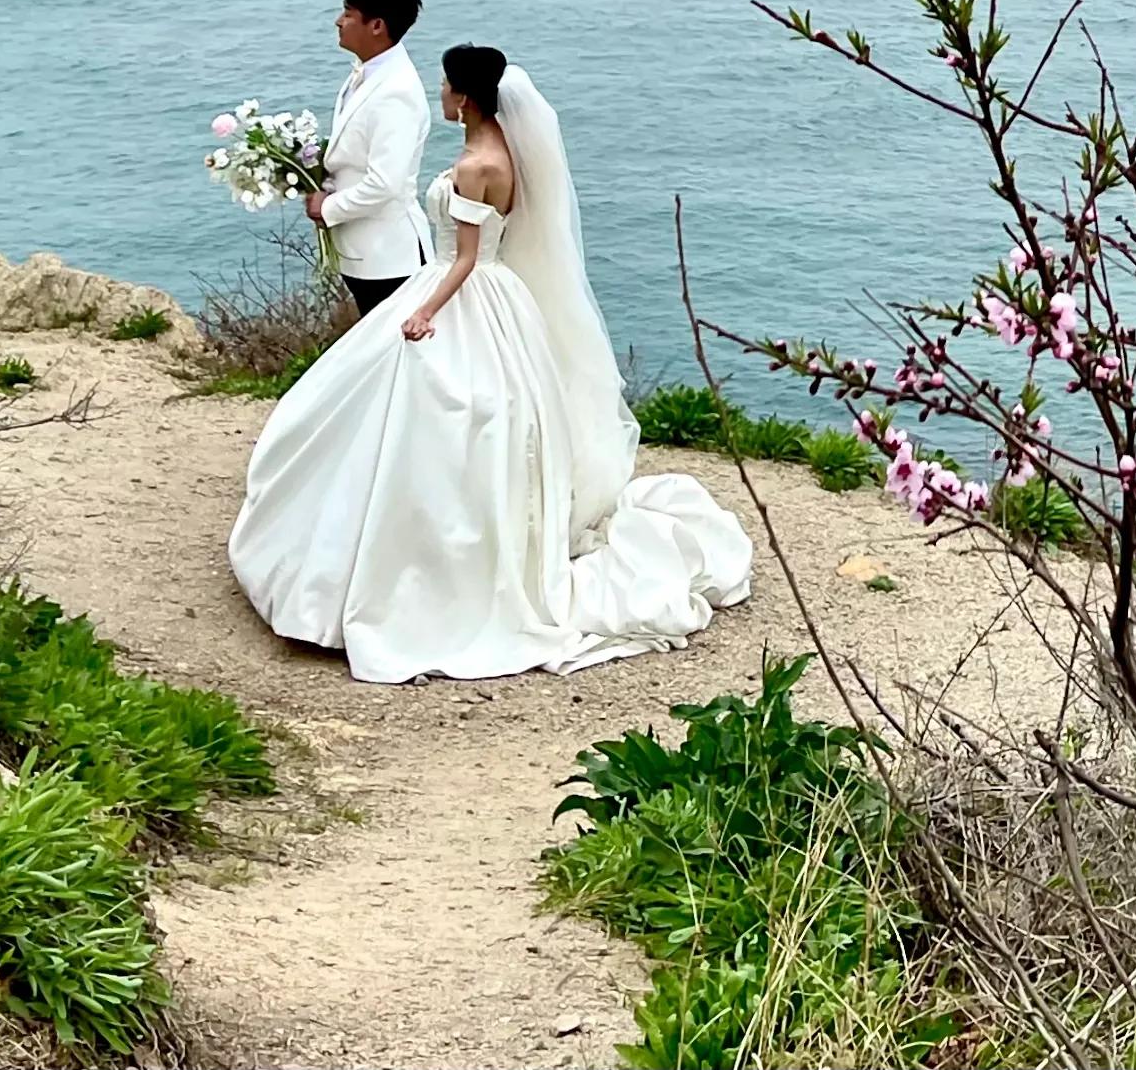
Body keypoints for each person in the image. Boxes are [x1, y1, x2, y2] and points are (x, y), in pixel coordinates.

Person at [227, 44, 753, 682]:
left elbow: (467, 258)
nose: (440, 97)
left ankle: (406, 561)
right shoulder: (506, 149)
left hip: (463, 291)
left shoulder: (479, 164)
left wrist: (424, 313)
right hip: (498, 299)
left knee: (427, 410)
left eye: (445, 88)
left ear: (465, 97)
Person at [310, 0, 431, 318]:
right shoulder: (364, 74)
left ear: (376, 25)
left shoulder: (396, 92)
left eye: (348, 13)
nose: (338, 21)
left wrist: (327, 208)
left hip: (390, 257)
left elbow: (385, 183)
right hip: (363, 253)